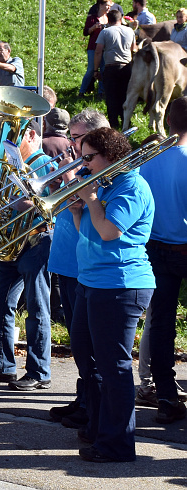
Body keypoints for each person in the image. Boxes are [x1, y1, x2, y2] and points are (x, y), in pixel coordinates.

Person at [70, 127, 155, 462]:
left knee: (114, 366)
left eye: (89, 157)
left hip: (121, 284)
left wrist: (91, 200)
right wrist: (78, 209)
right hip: (93, 281)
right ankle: (98, 427)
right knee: (85, 355)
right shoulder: (105, 181)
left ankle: (117, 444)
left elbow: (108, 232)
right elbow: (89, 231)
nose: (83, 163)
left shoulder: (131, 186)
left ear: (111, 156)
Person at [0, 126, 54, 391]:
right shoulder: (9, 165)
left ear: (30, 135)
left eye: (16, 136)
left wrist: (29, 204)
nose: (10, 143)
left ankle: (39, 371)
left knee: (36, 307)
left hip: (37, 241)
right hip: (11, 244)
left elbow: (52, 203)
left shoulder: (44, 163)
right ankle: (3, 366)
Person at [47, 109, 110, 430]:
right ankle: (83, 396)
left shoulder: (102, 171)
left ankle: (90, 404)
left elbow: (94, 210)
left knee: (88, 343)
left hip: (82, 264)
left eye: (77, 138)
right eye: (72, 137)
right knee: (78, 340)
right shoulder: (82, 166)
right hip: (66, 261)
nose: (72, 145)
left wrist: (72, 181)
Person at [143, 96, 187, 424]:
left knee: (161, 324)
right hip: (182, 248)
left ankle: (166, 396)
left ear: (168, 120)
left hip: (155, 247)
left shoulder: (150, 160)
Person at [93, 9, 136, 128]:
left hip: (111, 67)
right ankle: (126, 121)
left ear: (108, 19)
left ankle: (113, 123)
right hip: (127, 67)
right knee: (125, 95)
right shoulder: (129, 31)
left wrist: (95, 70)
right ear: (120, 18)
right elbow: (133, 49)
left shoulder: (105, 32)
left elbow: (98, 52)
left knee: (111, 97)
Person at [81, 0, 110, 97]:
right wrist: (93, 27)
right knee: (91, 70)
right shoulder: (92, 18)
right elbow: (85, 32)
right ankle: (82, 91)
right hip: (93, 47)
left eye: (110, 6)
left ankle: (101, 92)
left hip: (105, 48)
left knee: (103, 69)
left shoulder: (108, 18)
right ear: (101, 6)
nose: (109, 8)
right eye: (107, 5)